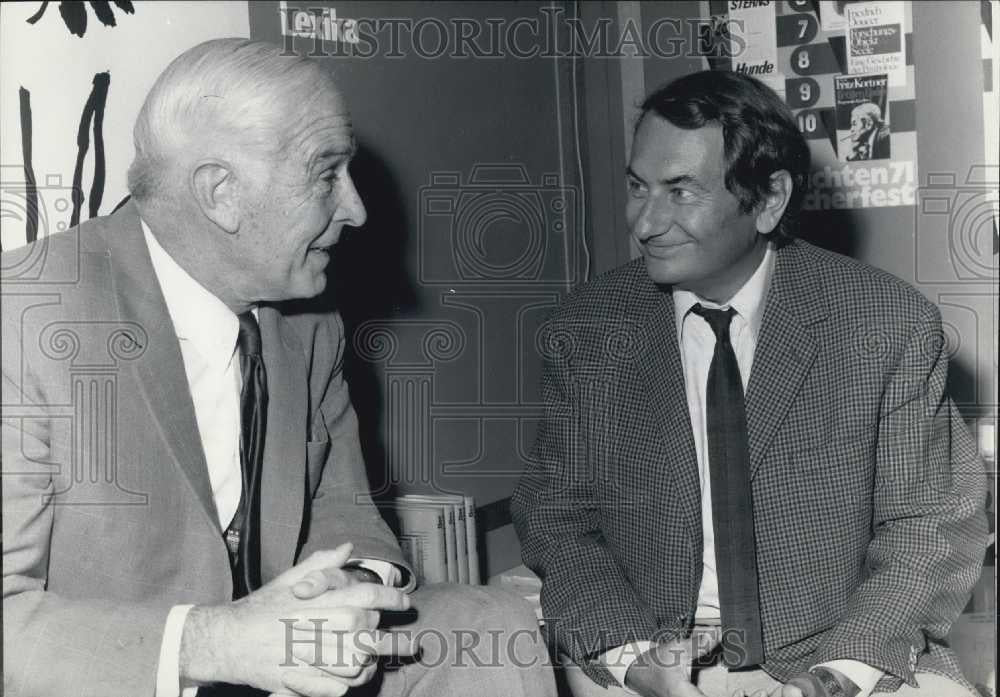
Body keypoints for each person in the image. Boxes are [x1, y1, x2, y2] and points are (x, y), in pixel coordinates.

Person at [2, 38, 555, 697]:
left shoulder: (308, 321)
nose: (356, 209)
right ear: (222, 194)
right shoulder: (25, 317)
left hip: (276, 667)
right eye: (326, 175)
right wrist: (218, 642)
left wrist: (351, 590)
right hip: (132, 675)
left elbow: (341, 503)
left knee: (489, 623)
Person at [512, 70, 987, 697]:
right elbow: (557, 516)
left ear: (768, 200)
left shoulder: (885, 322)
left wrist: (836, 677)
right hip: (648, 648)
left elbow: (928, 525)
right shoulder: (588, 328)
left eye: (681, 191)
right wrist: (634, 659)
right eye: (637, 187)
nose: (645, 223)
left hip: (837, 649)